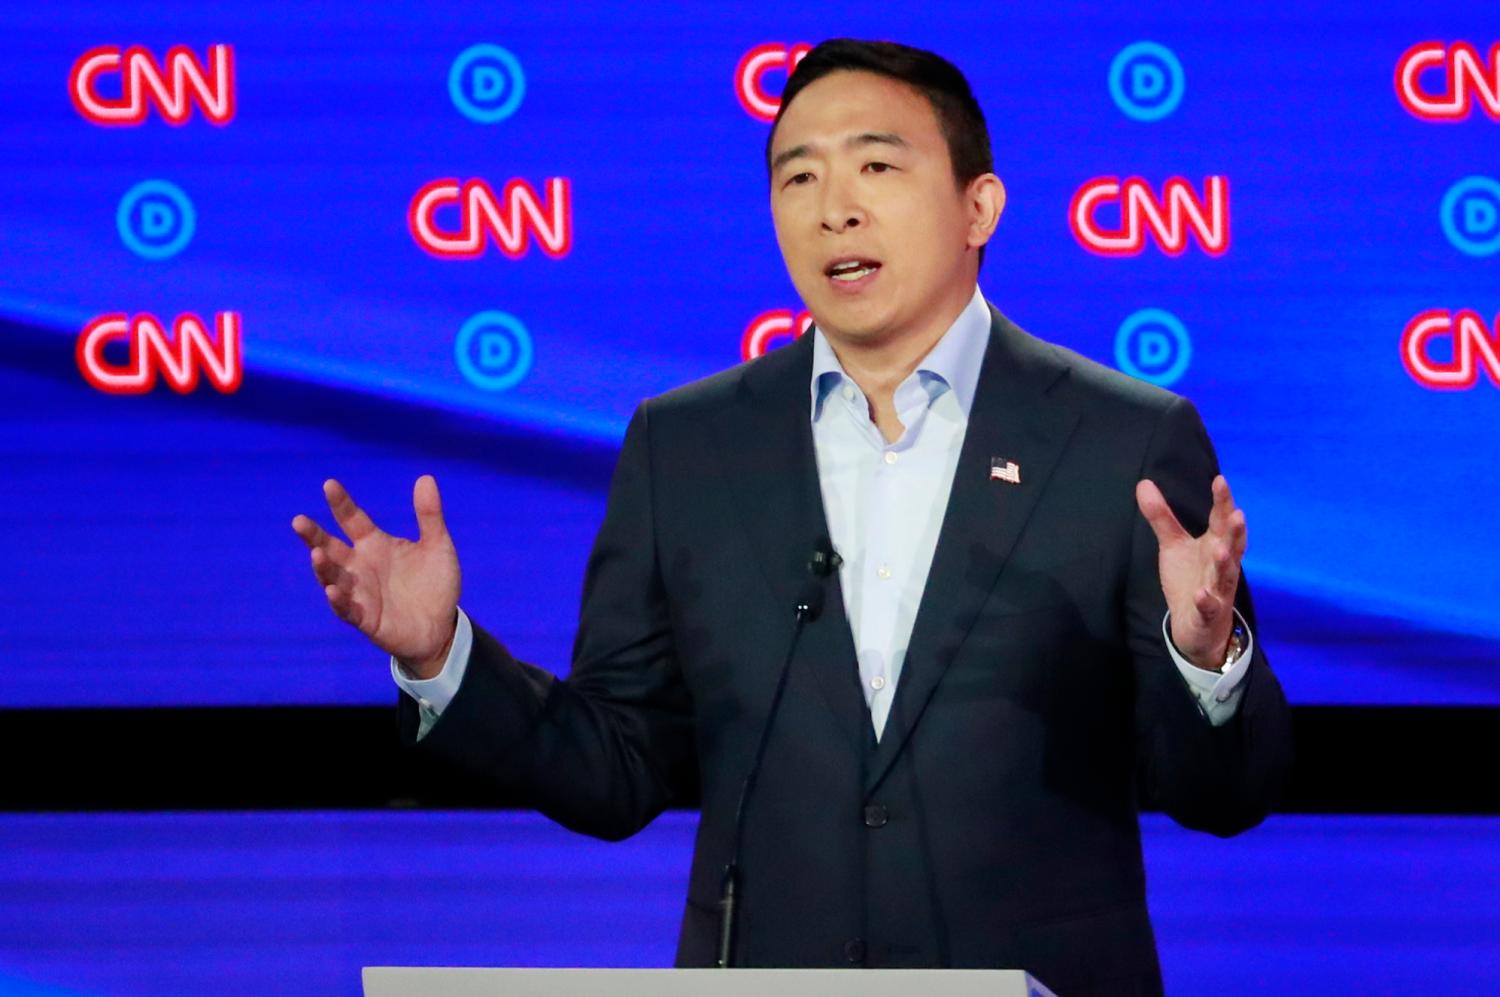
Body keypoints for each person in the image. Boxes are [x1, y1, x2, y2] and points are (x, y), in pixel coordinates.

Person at [293, 39, 1291, 994]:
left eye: (877, 168)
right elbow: (617, 767)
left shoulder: (1122, 441)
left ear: (978, 204)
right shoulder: (686, 446)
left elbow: (1222, 796)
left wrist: (1203, 657)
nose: (834, 211)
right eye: (798, 178)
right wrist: (443, 660)